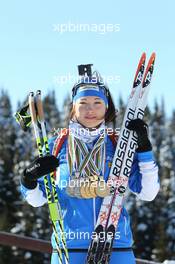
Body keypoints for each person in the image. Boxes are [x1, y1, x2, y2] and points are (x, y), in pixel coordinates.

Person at [20, 64, 160, 264]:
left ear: (106, 107)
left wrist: (144, 151)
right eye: (83, 103)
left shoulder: (118, 144)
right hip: (68, 250)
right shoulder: (58, 144)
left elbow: (148, 193)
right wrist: (28, 178)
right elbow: (38, 199)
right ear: (74, 107)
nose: (90, 109)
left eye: (97, 102)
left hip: (116, 247)